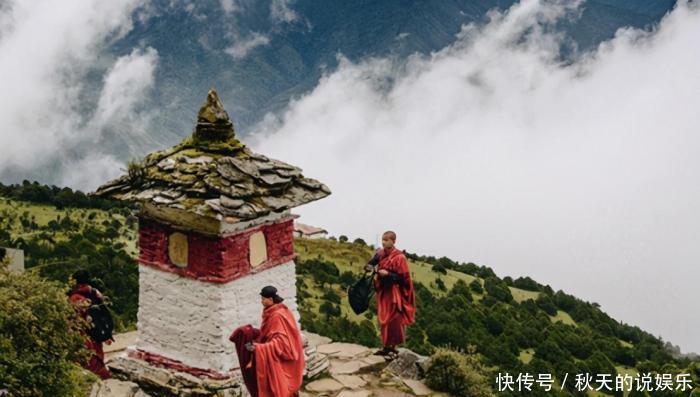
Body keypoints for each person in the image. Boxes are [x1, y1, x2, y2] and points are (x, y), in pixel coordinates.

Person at [229, 286, 305, 397]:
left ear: (271, 300)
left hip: (279, 360)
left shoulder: (277, 316)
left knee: (277, 390)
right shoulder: (274, 311)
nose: (262, 301)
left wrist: (259, 348)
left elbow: (281, 343)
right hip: (273, 355)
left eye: (264, 299)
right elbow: (269, 333)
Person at [364, 230, 416, 360]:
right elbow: (369, 264)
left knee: (394, 320)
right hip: (383, 292)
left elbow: (403, 279)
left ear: (393, 241)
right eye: (382, 239)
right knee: (384, 320)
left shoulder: (400, 257)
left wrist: (388, 274)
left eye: (386, 240)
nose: (383, 242)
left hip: (395, 293)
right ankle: (386, 347)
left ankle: (393, 347)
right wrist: (370, 267)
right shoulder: (380, 254)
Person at [67, 269, 112, 379]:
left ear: (75, 282)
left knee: (88, 359)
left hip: (83, 334)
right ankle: (102, 375)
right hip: (97, 332)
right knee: (97, 356)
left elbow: (73, 318)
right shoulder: (95, 292)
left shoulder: (75, 297)